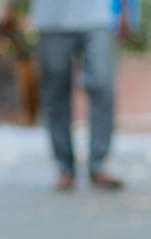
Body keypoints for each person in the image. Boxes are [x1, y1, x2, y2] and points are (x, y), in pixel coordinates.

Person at [18, 1, 130, 190]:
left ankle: (98, 164)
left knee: (103, 84)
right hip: (51, 19)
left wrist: (127, 11)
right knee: (55, 93)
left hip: (97, 16)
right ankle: (65, 168)